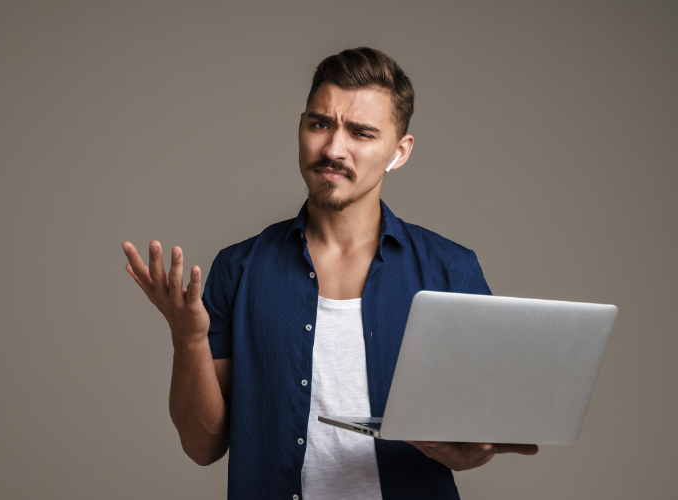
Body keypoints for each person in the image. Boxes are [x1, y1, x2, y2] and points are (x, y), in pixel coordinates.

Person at [121, 47, 538, 500]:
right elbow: (202, 445)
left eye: (361, 133)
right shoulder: (238, 269)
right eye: (320, 124)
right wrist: (188, 339)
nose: (333, 149)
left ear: (399, 152)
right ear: (301, 126)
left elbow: (478, 436)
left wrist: (470, 453)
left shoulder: (449, 269)